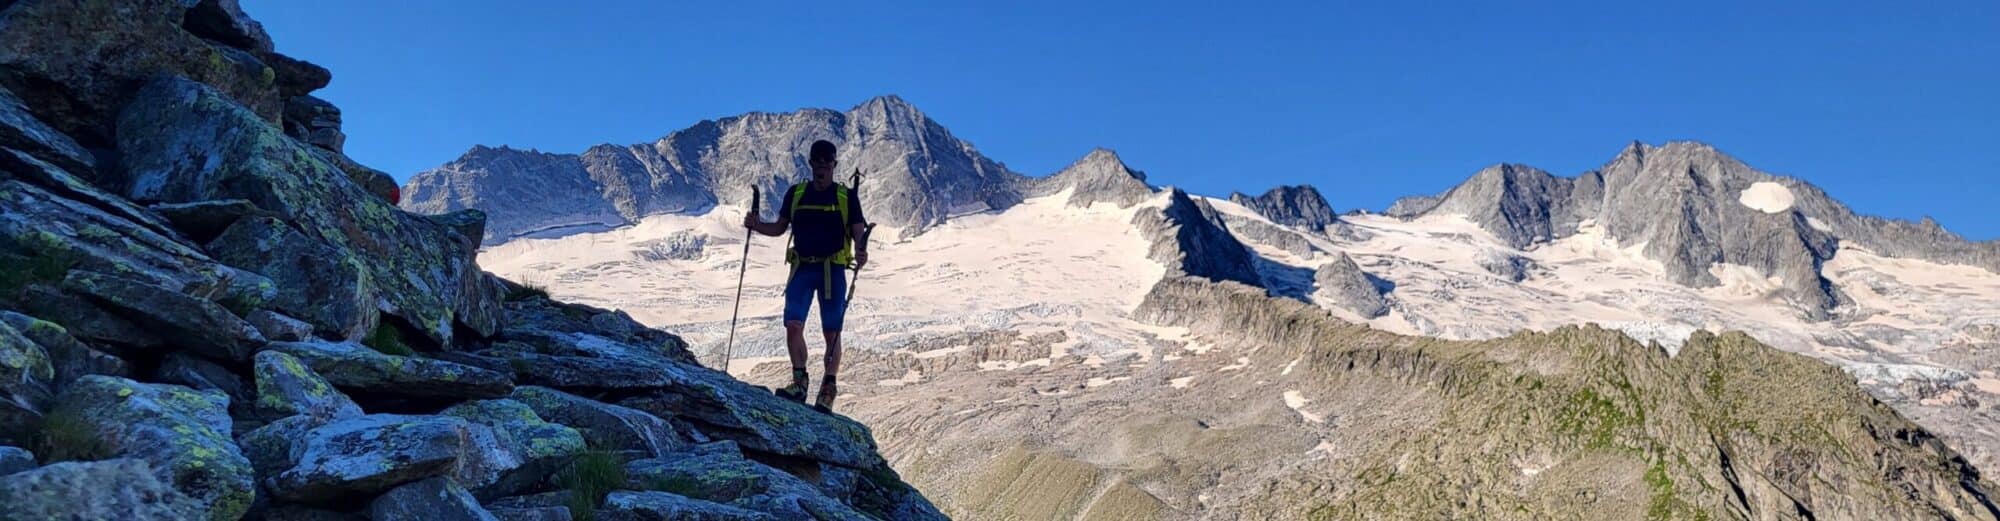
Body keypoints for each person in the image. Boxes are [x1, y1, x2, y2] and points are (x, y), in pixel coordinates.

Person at [743, 140, 868, 412]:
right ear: (810, 163)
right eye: (817, 159)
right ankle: (800, 381)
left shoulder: (846, 198)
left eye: (827, 160)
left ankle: (827, 388)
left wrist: (861, 251)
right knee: (793, 324)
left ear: (834, 164)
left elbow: (859, 231)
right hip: (802, 267)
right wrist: (757, 226)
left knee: (831, 331)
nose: (822, 164)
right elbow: (779, 228)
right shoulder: (796, 194)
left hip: (831, 269)